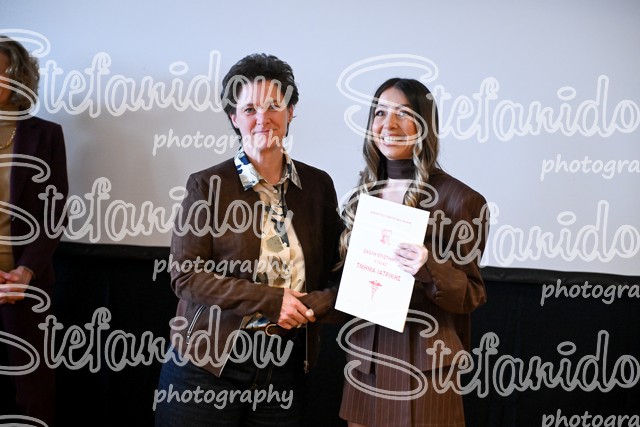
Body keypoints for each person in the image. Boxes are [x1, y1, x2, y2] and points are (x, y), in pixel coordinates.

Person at [155, 53, 342, 426]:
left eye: (274, 105)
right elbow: (186, 276)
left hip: (285, 364)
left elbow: (337, 270)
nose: (263, 117)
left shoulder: (318, 185)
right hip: (207, 364)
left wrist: (318, 304)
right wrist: (272, 301)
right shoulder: (207, 185)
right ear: (234, 117)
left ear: (291, 112)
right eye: (249, 108)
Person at [337, 78, 489, 427]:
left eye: (403, 114)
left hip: (422, 366)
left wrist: (428, 267)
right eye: (380, 113)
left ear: (424, 125)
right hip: (365, 360)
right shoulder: (362, 196)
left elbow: (472, 294)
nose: (388, 124)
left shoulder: (461, 200)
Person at [0, 35, 69, 425]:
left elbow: (54, 213)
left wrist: (25, 272)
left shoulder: (45, 134)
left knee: (34, 389)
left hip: (25, 283)